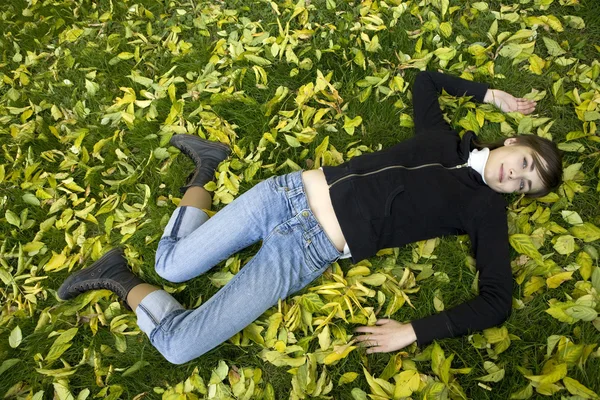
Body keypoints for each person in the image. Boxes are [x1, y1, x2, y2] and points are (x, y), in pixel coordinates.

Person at [58, 71, 562, 364]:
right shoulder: (442, 138)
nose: (512, 178)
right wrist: (489, 94)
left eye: (525, 186)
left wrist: (414, 331)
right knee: (169, 267)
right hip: (283, 195)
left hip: (303, 251)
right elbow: (423, 80)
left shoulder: (485, 210)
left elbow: (497, 302)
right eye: (521, 165)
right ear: (512, 142)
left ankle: (116, 276)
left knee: (179, 346)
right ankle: (207, 164)